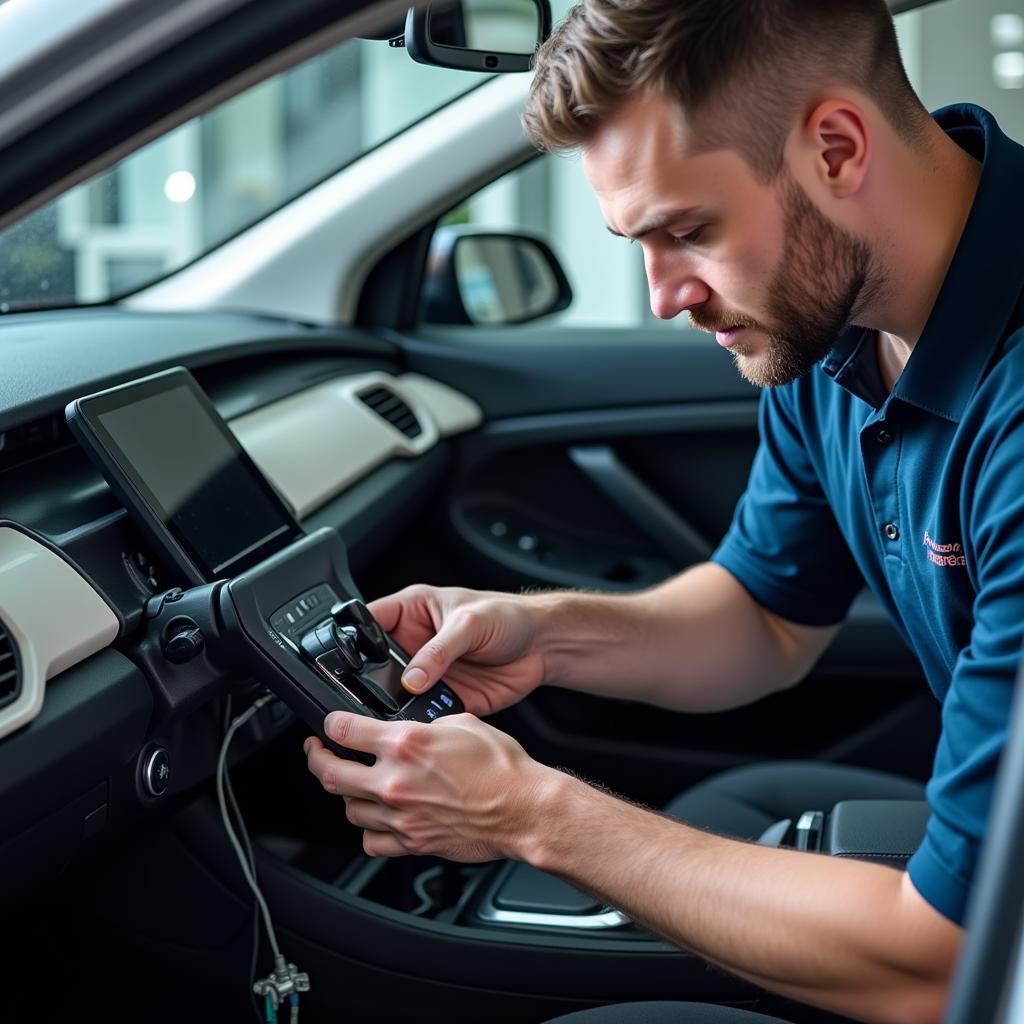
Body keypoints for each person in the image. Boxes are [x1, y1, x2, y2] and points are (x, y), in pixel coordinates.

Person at [304, 0, 1024, 1020]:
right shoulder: (833, 323)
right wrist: (542, 631)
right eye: (637, 241)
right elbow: (765, 615)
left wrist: (525, 812)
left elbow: (941, 961)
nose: (663, 296)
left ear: (834, 148)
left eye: (688, 231)